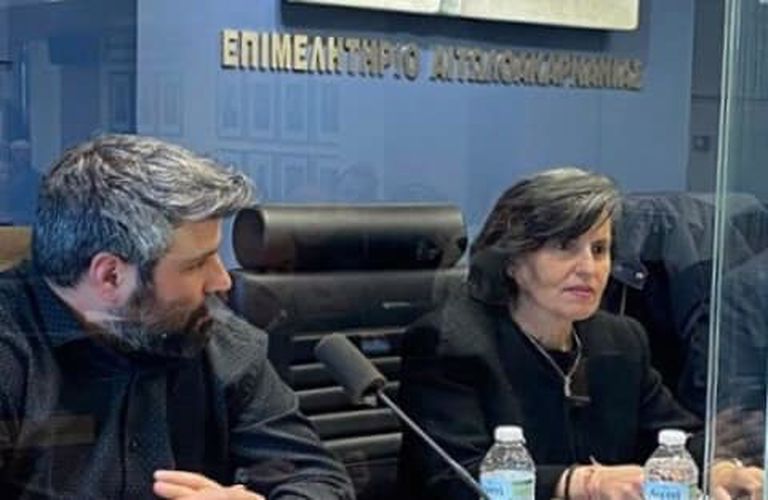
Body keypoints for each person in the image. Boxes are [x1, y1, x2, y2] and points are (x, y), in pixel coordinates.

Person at [0, 135, 355, 499]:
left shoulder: (216, 339)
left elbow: (320, 480)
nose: (222, 280)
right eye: (197, 264)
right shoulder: (12, 352)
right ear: (111, 276)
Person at [397, 167, 761, 500]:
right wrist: (582, 482)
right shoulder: (450, 343)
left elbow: (671, 438)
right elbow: (453, 479)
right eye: (565, 247)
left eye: (600, 249)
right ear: (512, 260)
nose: (589, 268)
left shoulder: (621, 340)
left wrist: (719, 471)